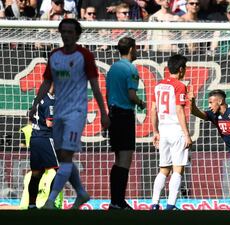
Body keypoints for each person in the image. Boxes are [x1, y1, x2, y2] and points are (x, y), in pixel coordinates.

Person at [28, 18, 110, 209]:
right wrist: (34, 105)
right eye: (63, 31)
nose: (66, 35)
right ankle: (81, 193)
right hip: (59, 113)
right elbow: (47, 82)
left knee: (65, 155)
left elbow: (96, 87)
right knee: (63, 157)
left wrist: (104, 113)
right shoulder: (55, 56)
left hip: (76, 112)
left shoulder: (85, 56)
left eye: (70, 32)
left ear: (77, 34)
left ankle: (50, 201)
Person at [106, 37, 146, 210]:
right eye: (136, 48)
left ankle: (115, 201)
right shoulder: (131, 68)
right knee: (125, 159)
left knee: (118, 159)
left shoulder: (112, 68)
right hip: (124, 115)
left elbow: (107, 94)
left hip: (113, 114)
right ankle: (118, 201)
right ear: (131, 49)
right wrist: (141, 103)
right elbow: (131, 95)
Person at [150, 54, 192, 210]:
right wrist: (187, 134)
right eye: (185, 68)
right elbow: (180, 111)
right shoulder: (180, 85)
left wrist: (155, 131)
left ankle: (154, 204)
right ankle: (170, 205)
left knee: (163, 170)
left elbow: (153, 109)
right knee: (178, 169)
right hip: (176, 130)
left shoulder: (158, 85)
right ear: (181, 69)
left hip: (163, 130)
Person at [27, 83, 59, 209]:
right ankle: (49, 203)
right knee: (62, 170)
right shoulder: (49, 101)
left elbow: (30, 117)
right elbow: (50, 123)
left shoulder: (38, 97)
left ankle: (31, 205)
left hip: (35, 138)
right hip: (46, 138)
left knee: (36, 174)